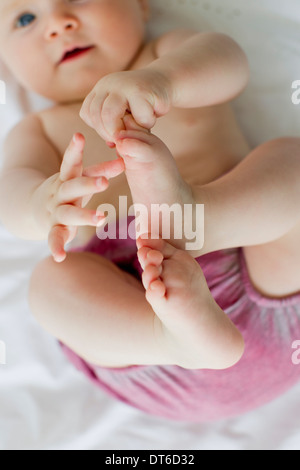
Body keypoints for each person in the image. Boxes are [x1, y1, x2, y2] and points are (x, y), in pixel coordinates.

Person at [1, 0, 300, 422]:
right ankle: (173, 336)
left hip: (262, 273)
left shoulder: (170, 60)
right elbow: (10, 196)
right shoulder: (39, 129)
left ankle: (202, 217)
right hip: (149, 336)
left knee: (292, 162)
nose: (59, 23)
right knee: (50, 284)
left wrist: (163, 80)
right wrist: (39, 205)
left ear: (140, 5)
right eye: (25, 19)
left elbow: (229, 63)